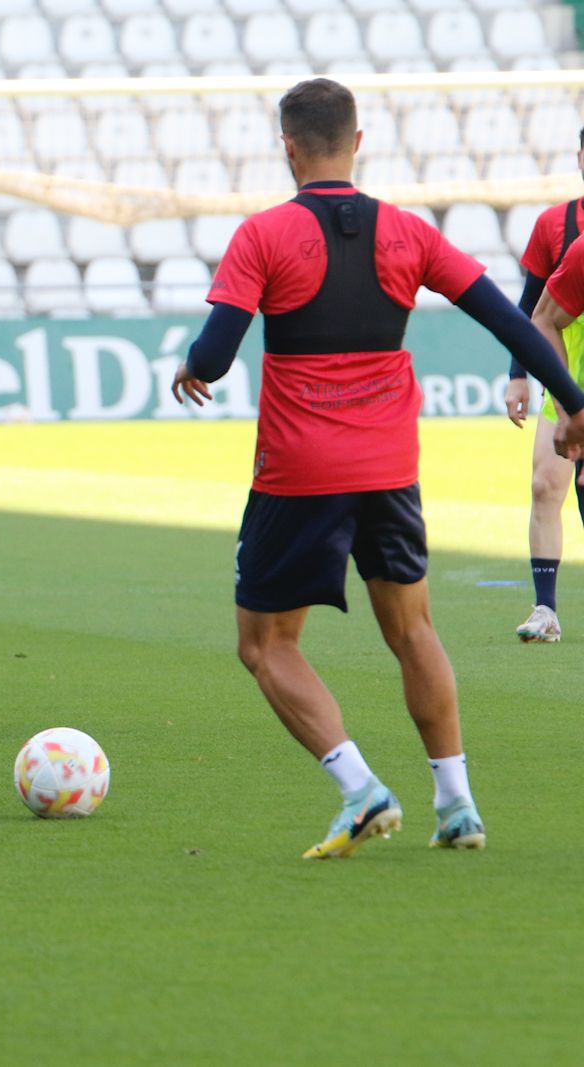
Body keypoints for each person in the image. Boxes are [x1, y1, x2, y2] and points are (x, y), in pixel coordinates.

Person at [171, 78, 584, 859]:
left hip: (299, 470)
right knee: (413, 628)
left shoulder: (263, 235)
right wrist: (574, 402)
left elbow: (216, 357)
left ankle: (360, 786)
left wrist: (192, 366)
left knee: (266, 644)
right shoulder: (410, 234)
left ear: (287, 145)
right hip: (390, 465)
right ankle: (457, 802)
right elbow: (509, 316)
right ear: (357, 144)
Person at [501, 130, 584, 642]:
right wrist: (518, 375)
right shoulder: (558, 226)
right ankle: (546, 609)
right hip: (567, 385)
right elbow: (532, 311)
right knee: (545, 485)